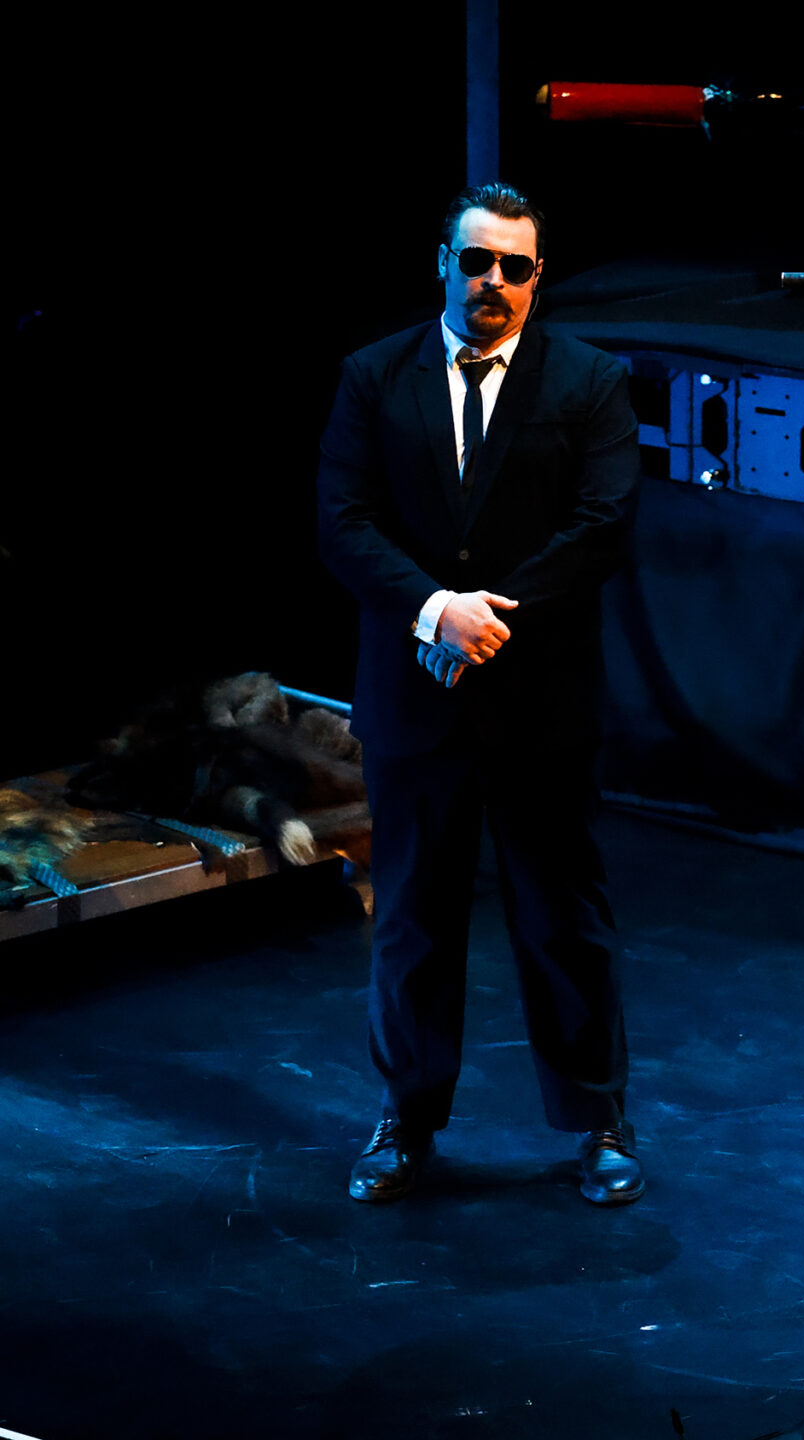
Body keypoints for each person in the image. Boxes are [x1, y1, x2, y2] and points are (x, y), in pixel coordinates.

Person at [316, 181, 645, 1206]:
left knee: (563, 918)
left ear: (537, 277)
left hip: (539, 700)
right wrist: (434, 612)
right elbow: (344, 520)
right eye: (476, 261)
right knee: (413, 918)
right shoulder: (373, 377)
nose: (492, 281)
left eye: (514, 266)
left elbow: (602, 525)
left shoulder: (588, 381)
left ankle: (597, 1122)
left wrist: (486, 618)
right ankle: (407, 1120)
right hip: (416, 698)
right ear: (444, 264)